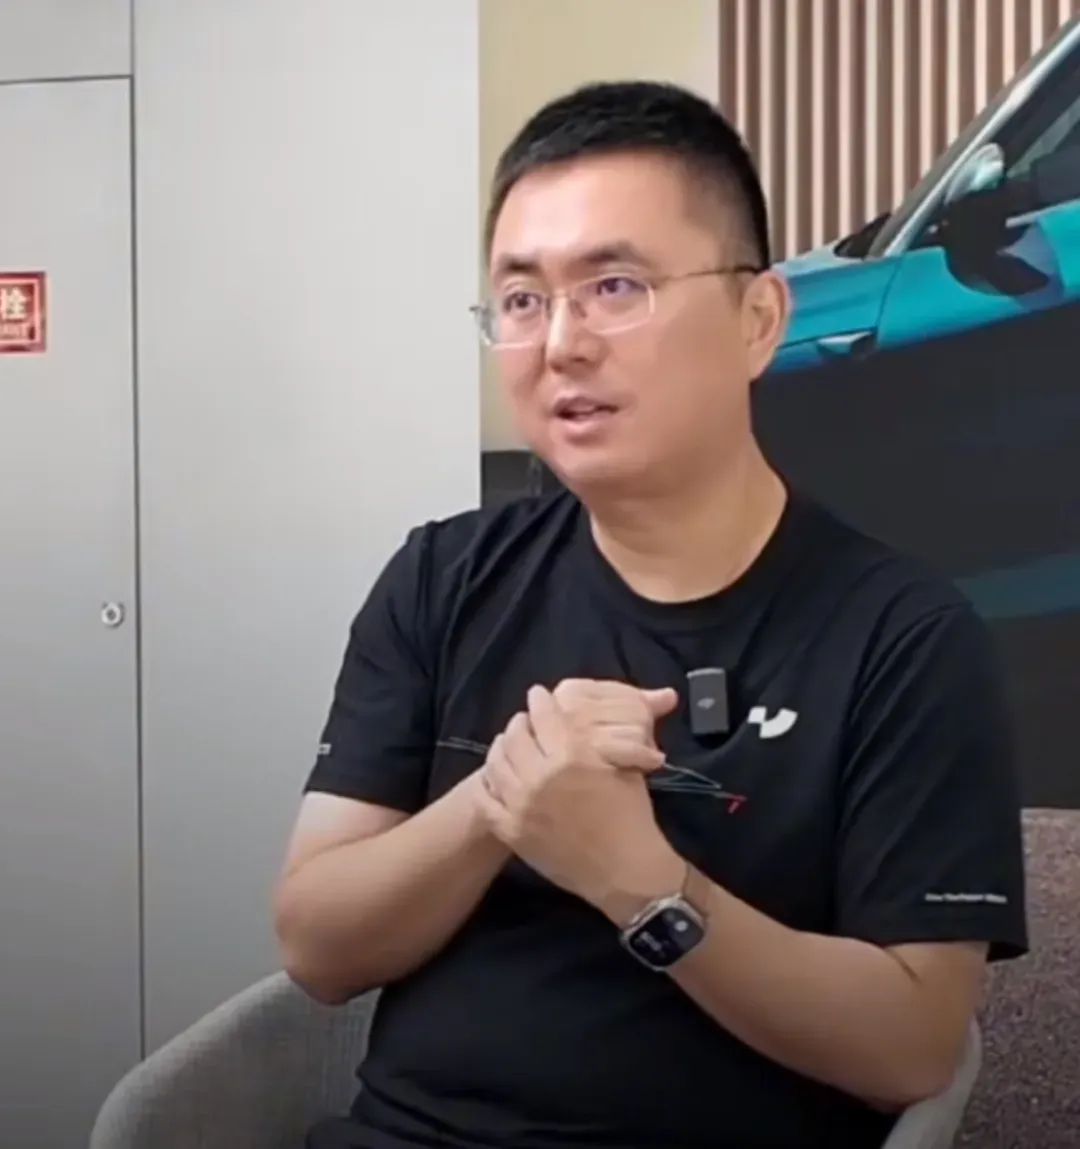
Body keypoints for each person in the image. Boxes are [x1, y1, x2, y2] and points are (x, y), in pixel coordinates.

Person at [275, 81, 1029, 1149]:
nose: (561, 343)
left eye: (615, 286)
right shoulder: (442, 578)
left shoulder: (903, 638)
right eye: (521, 300)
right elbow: (318, 948)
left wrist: (642, 883)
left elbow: (909, 1049)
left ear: (758, 320)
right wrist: (502, 797)